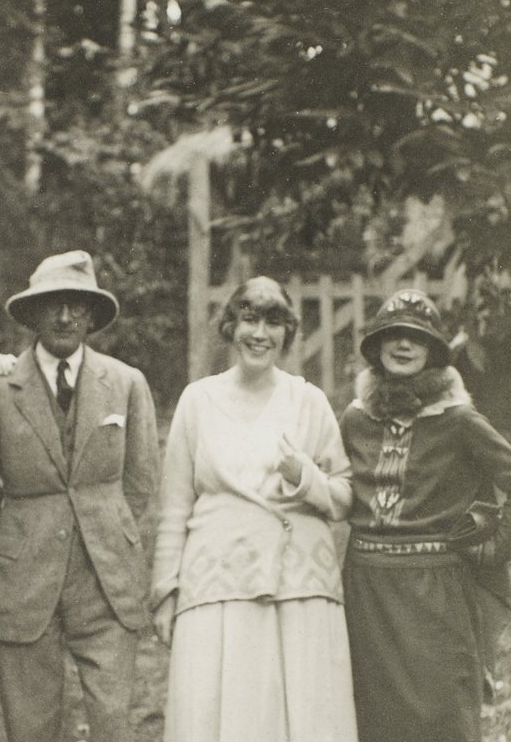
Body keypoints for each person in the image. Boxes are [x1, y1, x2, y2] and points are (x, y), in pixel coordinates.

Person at [0, 250, 160, 742]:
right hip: (24, 580)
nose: (65, 317)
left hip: (105, 577)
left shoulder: (127, 384)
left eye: (77, 305)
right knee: (31, 725)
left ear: (91, 315)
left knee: (113, 722)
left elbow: (140, 478)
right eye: (53, 305)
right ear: (32, 314)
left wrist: (108, 527)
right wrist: (9, 546)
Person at [151, 276, 359, 742]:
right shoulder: (198, 401)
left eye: (273, 323)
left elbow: (345, 498)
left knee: (303, 715)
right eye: (249, 320)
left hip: (299, 584)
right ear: (231, 326)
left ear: (288, 333)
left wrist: (305, 477)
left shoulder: (309, 402)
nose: (260, 334)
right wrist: (166, 590)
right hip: (218, 583)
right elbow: (174, 506)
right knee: (221, 714)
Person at [340, 289, 511, 742]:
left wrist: (493, 550)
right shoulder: (355, 419)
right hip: (367, 586)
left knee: (443, 712)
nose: (404, 345)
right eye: (393, 335)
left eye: (417, 337)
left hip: (435, 589)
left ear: (434, 350)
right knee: (373, 715)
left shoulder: (458, 419)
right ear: (377, 346)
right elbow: (336, 485)